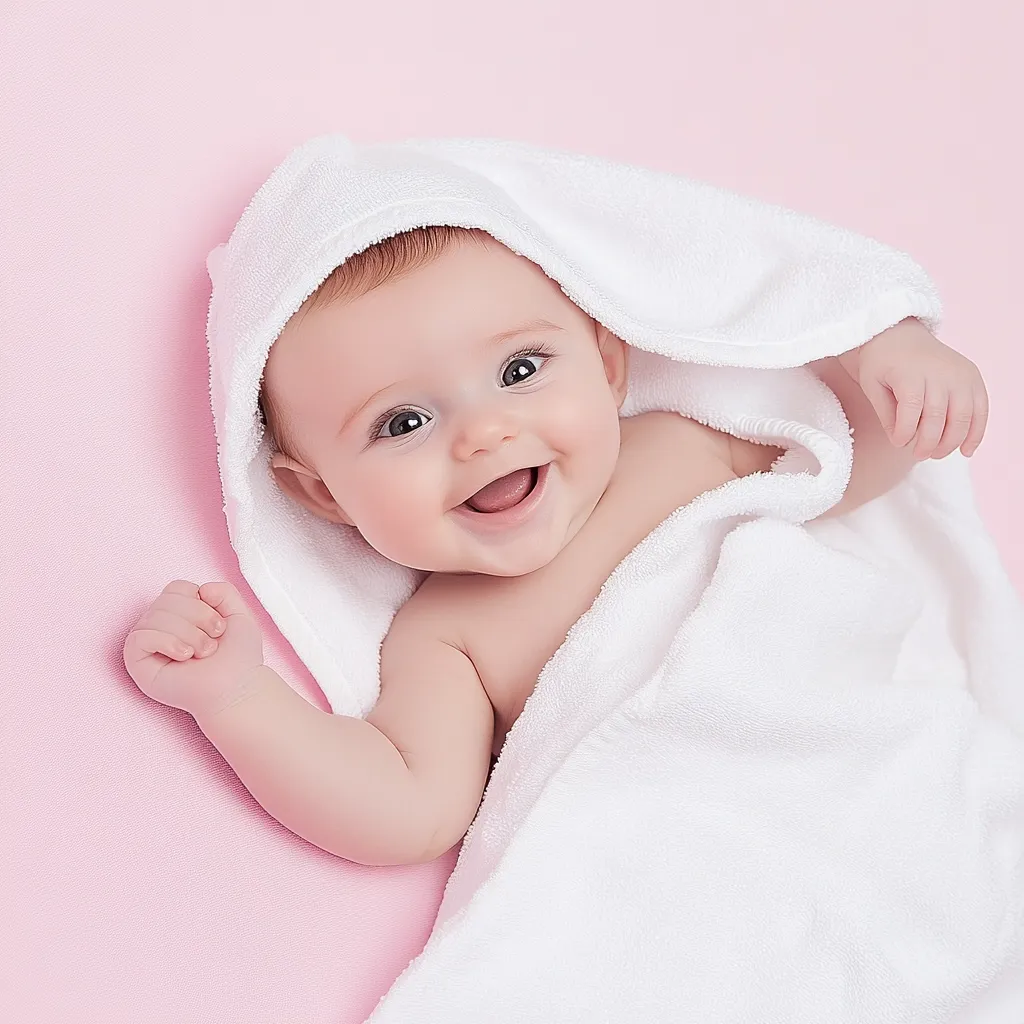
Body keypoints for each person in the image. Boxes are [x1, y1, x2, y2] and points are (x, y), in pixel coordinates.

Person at [122, 226, 989, 867]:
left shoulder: (685, 443)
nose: (485, 434)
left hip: (877, 772)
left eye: (520, 370)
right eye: (404, 421)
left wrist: (897, 359)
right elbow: (405, 811)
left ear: (607, 366)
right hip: (709, 844)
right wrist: (237, 696)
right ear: (323, 494)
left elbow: (846, 462)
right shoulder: (445, 637)